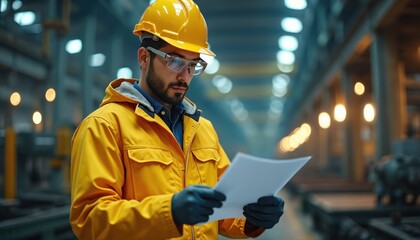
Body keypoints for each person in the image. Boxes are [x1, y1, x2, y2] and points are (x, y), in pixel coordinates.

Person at [69, 0, 285, 239]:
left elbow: (224, 208)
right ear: (143, 57)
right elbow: (90, 219)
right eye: (175, 61)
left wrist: (252, 216)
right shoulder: (105, 126)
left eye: (193, 65)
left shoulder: (203, 130)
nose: (184, 76)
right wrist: (170, 212)